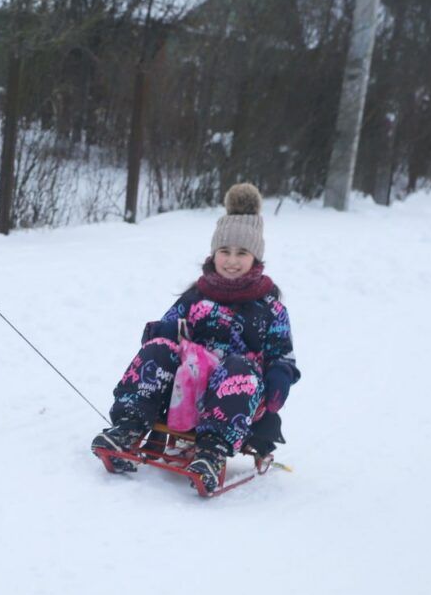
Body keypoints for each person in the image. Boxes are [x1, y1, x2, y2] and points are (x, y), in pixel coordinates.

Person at [91, 183, 299, 493]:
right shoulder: (197, 296)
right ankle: (129, 427)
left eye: (242, 253)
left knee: (238, 367)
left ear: (255, 258)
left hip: (238, 395)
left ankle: (212, 451)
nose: (231, 260)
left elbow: (283, 355)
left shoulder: (270, 307)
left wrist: (279, 376)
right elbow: (165, 329)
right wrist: (164, 334)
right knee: (161, 349)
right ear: (213, 254)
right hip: (187, 386)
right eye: (224, 252)